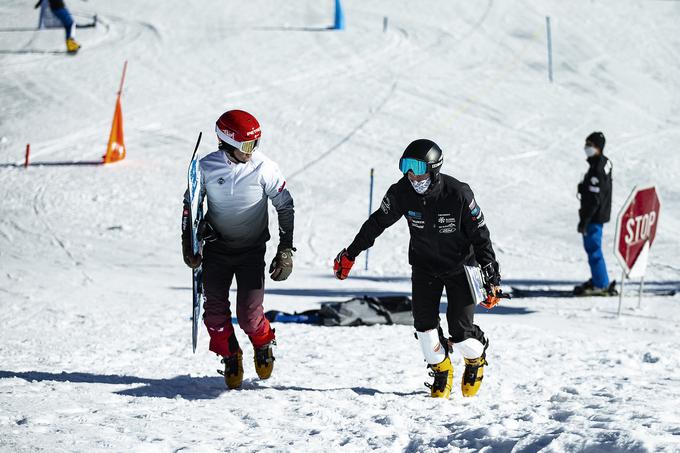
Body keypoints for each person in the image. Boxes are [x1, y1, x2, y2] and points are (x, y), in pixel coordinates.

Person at [333, 139, 503, 399]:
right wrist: (350, 253)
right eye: (406, 167)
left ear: (434, 169)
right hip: (425, 267)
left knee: (460, 334)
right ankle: (441, 369)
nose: (412, 175)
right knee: (424, 328)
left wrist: (491, 278)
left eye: (418, 168)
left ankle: (476, 358)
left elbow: (481, 236)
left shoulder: (458, 194)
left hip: (461, 268)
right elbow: (377, 223)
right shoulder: (401, 192)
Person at [181, 109, 295, 389]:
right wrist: (189, 243)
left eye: (256, 144)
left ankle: (263, 341)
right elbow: (190, 207)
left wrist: (285, 249)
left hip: (251, 252)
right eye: (246, 145)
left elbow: (285, 206)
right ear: (227, 142)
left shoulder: (264, 167)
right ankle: (231, 354)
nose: (252, 151)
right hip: (217, 251)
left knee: (250, 315)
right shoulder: (206, 167)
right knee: (214, 315)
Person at [574, 131, 615, 296]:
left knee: (593, 249)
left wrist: (584, 221)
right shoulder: (604, 163)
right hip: (600, 213)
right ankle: (599, 279)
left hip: (594, 216)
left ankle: (601, 283)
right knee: (594, 248)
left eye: (589, 145)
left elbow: (594, 200)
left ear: (598, 148)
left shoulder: (597, 169)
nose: (586, 148)